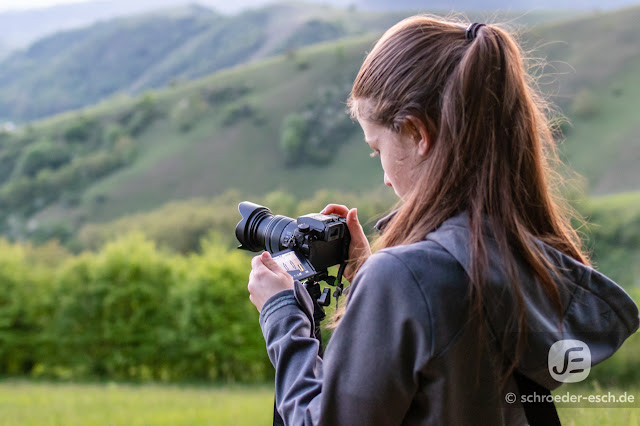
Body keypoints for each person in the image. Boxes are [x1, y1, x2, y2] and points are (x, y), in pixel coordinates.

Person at [247, 15, 639, 425]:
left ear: (418, 133)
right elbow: (453, 360)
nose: (382, 174)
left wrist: (282, 314)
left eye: (376, 148)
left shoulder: (405, 279)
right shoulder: (514, 256)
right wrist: (370, 275)